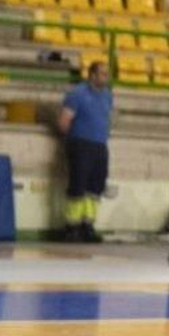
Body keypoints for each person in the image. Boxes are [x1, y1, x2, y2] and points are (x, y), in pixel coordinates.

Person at [57, 59, 113, 243]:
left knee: (95, 187)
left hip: (99, 145)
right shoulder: (77, 94)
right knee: (78, 185)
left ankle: (87, 225)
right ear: (92, 75)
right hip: (81, 144)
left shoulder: (107, 95)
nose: (106, 77)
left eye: (107, 74)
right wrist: (71, 142)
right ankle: (71, 226)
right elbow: (64, 121)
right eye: (103, 73)